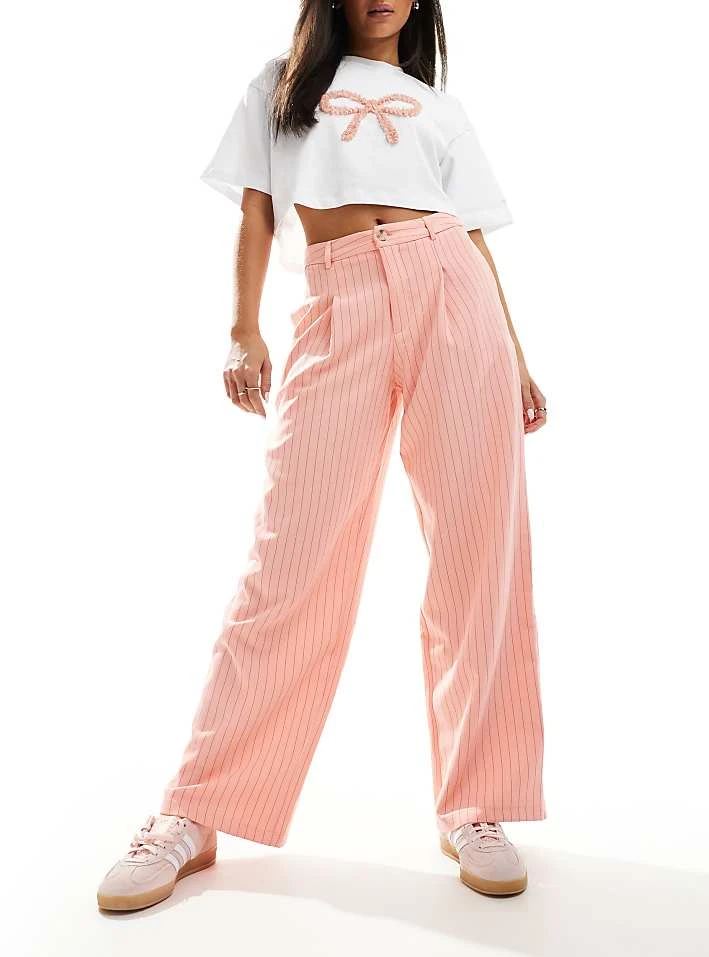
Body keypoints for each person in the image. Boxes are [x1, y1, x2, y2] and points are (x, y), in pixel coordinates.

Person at [97, 0, 548, 912]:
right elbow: (258, 212)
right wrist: (243, 327)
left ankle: (477, 803)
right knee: (287, 562)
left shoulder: (439, 106)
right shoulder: (280, 86)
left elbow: (470, 234)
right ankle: (196, 808)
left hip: (453, 297)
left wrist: (516, 352)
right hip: (338, 306)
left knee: (478, 555)